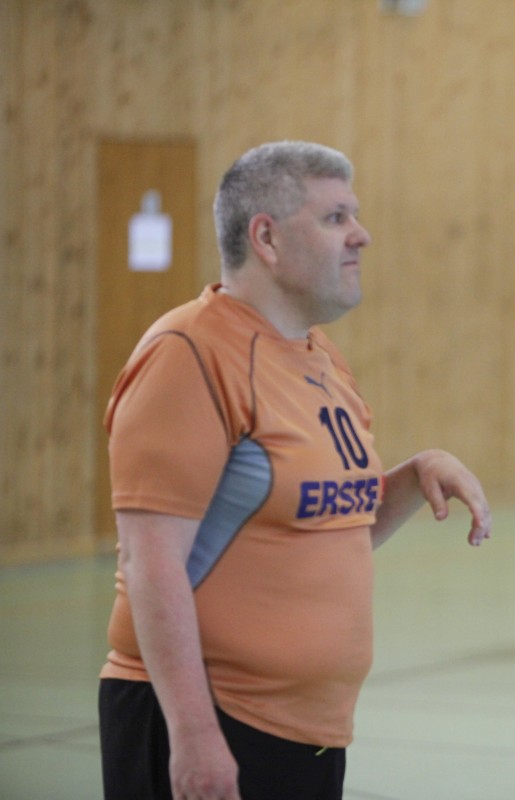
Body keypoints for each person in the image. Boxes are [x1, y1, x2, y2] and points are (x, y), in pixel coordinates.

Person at [98, 141, 492, 800]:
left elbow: (325, 523)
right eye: (336, 217)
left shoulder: (320, 358)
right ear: (267, 239)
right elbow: (151, 563)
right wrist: (194, 736)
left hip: (308, 733)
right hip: (208, 722)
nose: (361, 234)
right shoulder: (189, 354)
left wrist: (415, 476)